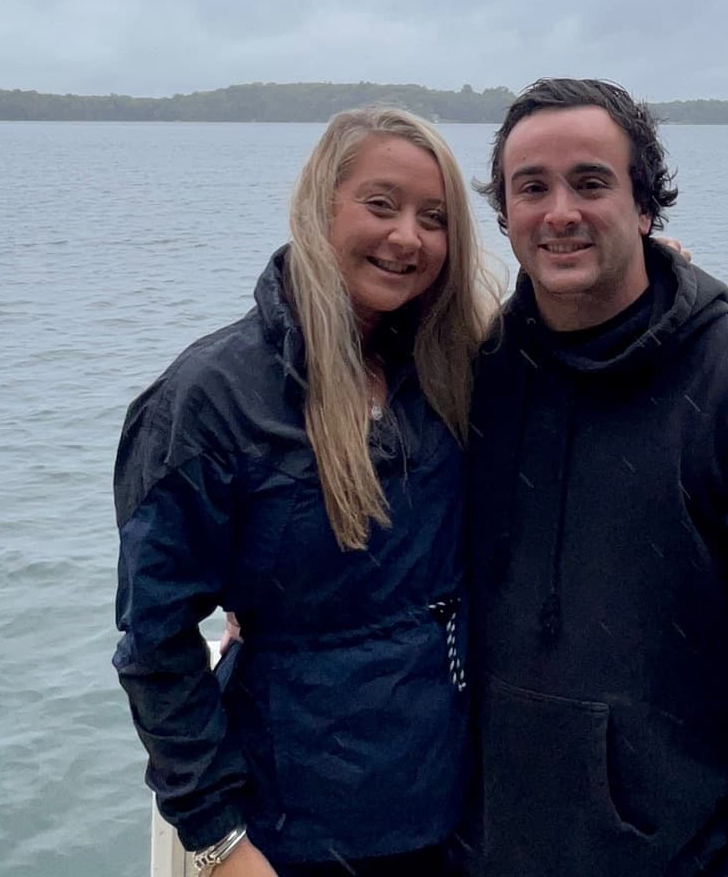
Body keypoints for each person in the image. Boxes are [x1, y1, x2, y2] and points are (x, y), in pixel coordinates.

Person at [463, 78, 728, 877]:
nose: (560, 213)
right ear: (505, 215)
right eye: (532, 188)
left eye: (591, 182)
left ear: (645, 206)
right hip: (483, 851)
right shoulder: (480, 376)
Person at [113, 107, 499, 877]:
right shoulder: (212, 398)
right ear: (321, 207)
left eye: (434, 218)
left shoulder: (451, 367)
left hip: (452, 807)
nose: (407, 238)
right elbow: (155, 645)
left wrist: (641, 284)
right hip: (295, 827)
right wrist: (219, 837)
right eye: (381, 205)